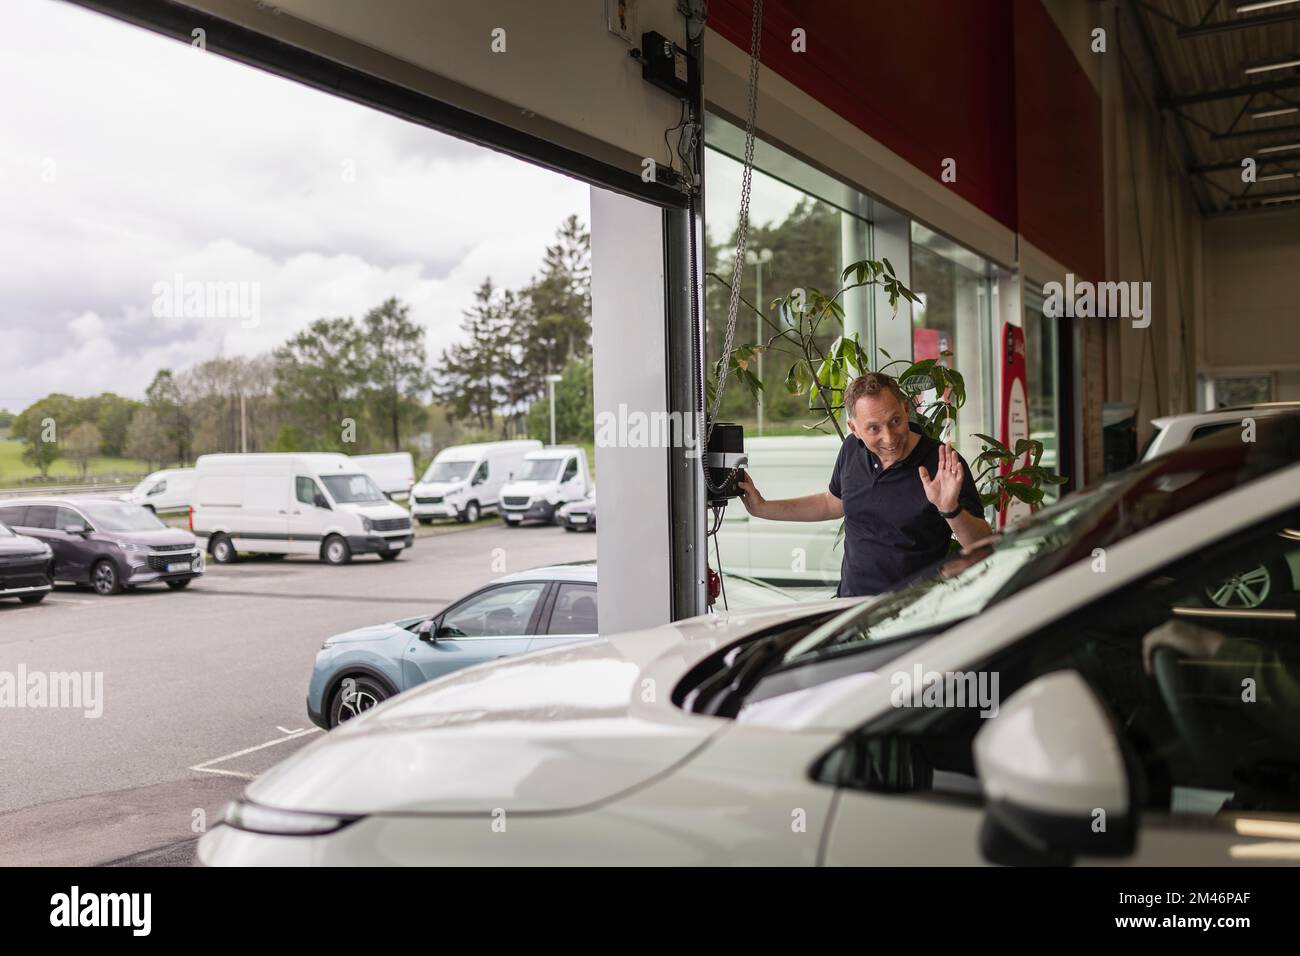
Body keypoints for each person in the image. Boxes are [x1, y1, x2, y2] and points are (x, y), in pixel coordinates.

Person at [736, 371, 992, 597]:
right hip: (851, 607)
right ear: (854, 428)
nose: (889, 437)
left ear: (905, 409)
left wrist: (950, 509)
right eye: (873, 429)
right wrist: (762, 508)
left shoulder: (942, 462)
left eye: (895, 421)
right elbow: (831, 503)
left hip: (914, 612)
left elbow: (982, 546)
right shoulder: (852, 450)